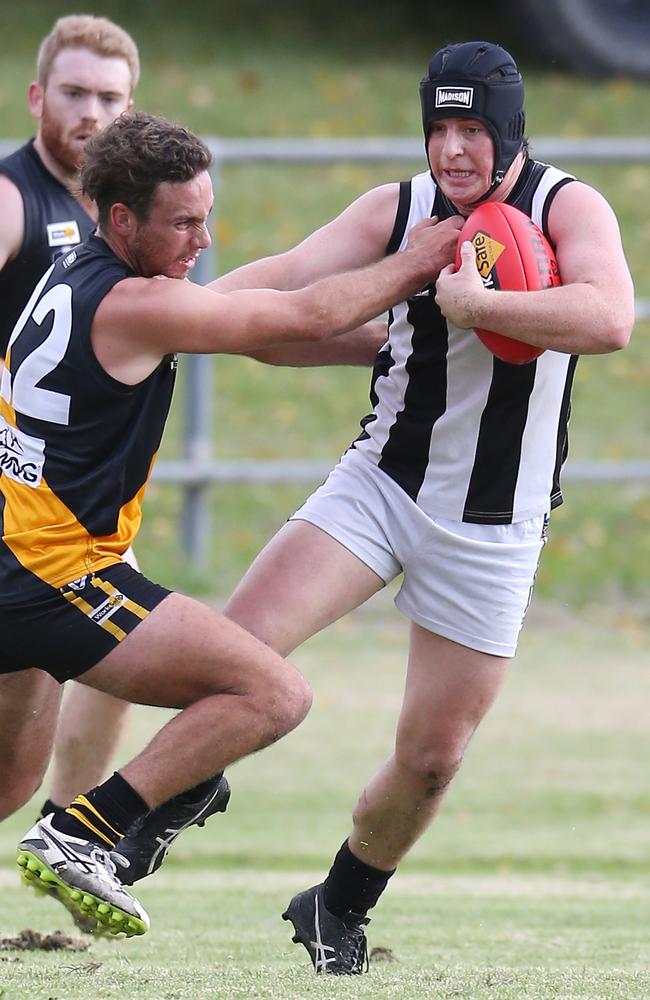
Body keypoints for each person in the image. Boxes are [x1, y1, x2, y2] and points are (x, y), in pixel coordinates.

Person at [198, 41, 630, 973]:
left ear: (510, 132)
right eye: (440, 127)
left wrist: (483, 308)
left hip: (495, 518)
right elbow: (295, 274)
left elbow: (608, 318)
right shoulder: (399, 206)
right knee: (232, 653)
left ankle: (338, 905)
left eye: (474, 129)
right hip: (384, 481)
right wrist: (171, 314)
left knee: (433, 757)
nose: (454, 151)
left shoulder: (567, 205)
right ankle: (133, 818)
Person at [0, 109, 459, 938]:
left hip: (14, 557)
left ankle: (90, 818)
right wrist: (417, 261)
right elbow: (298, 316)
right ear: (121, 219)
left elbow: (270, 336)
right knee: (269, 693)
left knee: (3, 781)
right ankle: (87, 832)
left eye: (206, 216)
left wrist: (396, 347)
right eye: (183, 222)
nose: (202, 240)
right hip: (54, 575)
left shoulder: (80, 270)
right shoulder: (138, 304)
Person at [0, 13, 141, 827]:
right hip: (21, 505)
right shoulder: (16, 197)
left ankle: (70, 830)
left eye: (110, 97)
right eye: (75, 92)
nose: (92, 112)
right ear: (37, 98)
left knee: (118, 655)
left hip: (80, 496)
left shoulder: (120, 217)